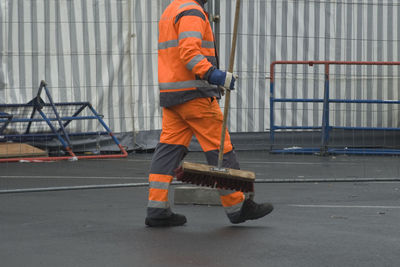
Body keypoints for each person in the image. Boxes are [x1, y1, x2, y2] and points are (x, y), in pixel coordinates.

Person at [145, 0, 273, 227]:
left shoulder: (172, 9)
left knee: (168, 150)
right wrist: (215, 75)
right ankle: (237, 206)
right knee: (220, 148)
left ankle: (157, 208)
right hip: (196, 95)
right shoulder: (192, 11)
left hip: (173, 95)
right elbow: (189, 52)